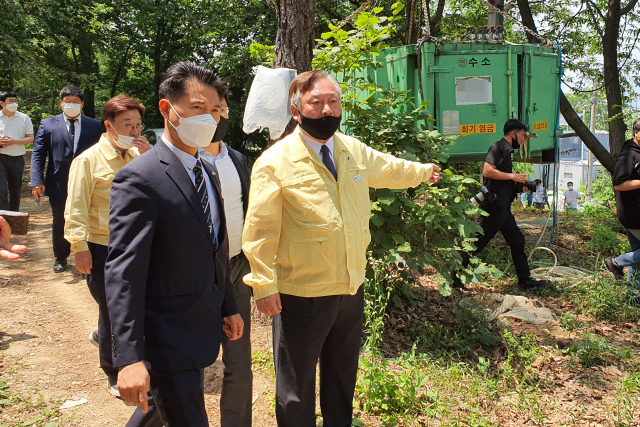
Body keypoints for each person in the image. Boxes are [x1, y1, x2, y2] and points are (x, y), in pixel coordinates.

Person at [242, 69, 441, 427]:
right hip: (301, 292)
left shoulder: (352, 150)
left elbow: (390, 169)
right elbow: (259, 231)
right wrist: (264, 285)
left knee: (341, 377)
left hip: (350, 287)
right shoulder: (274, 162)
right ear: (295, 108)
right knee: (296, 386)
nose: (326, 110)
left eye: (333, 102)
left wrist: (423, 171)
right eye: (315, 102)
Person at [105, 62, 243, 427]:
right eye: (198, 108)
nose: (209, 118)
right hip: (164, 335)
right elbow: (123, 272)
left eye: (215, 110)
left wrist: (228, 305)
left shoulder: (207, 167)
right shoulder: (140, 178)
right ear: (168, 109)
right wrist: (128, 357)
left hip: (200, 324)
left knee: (158, 409)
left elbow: (216, 244)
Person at [64, 95, 151, 401]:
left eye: (138, 124)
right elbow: (75, 207)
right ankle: (113, 371)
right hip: (103, 247)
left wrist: (149, 157)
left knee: (133, 307)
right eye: (127, 125)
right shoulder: (88, 161)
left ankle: (119, 348)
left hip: (137, 245)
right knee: (113, 312)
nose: (134, 130)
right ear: (109, 126)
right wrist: (79, 246)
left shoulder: (138, 156)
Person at [199, 95, 253, 427]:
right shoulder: (181, 161)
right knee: (187, 359)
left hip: (236, 268)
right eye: (207, 111)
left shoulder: (237, 159)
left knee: (239, 358)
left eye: (221, 110)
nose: (216, 117)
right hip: (196, 274)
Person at [451, 119, 546, 292]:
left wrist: (519, 185)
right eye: (523, 135)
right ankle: (452, 278)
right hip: (494, 209)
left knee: (517, 241)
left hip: (504, 210)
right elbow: (488, 171)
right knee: (475, 243)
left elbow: (501, 181)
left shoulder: (507, 153)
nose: (523, 139)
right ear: (513, 134)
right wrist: (512, 177)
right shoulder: (498, 147)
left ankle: (524, 281)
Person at [31, 86, 102, 273]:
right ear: (61, 103)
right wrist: (36, 180)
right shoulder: (48, 124)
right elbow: (38, 154)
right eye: (68, 101)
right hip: (58, 182)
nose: (71, 105)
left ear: (83, 104)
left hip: (89, 181)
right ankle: (61, 257)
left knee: (90, 218)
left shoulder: (95, 125)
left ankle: (90, 255)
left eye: (76, 102)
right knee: (60, 220)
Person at [605, 118, 640, 293]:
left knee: (637, 256)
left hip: (635, 213)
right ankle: (616, 262)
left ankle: (633, 296)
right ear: (636, 133)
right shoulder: (628, 155)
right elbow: (618, 184)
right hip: (633, 213)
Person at [0, 91, 34, 211]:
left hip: (17, 158)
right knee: (1, 190)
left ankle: (13, 217)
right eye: (11, 101)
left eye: (15, 101)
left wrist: (14, 141)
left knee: (15, 191)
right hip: (1, 158)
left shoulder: (24, 117)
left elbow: (30, 138)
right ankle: (2, 219)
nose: (14, 103)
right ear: (2, 103)